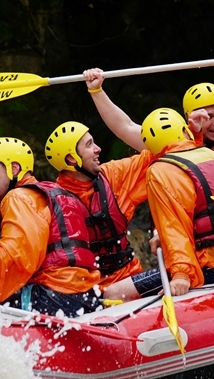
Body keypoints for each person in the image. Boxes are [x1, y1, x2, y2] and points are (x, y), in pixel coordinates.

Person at [83, 48, 214, 267]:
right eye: (208, 116)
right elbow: (125, 128)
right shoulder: (173, 140)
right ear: (190, 118)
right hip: (196, 237)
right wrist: (97, 91)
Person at [0, 137, 102, 317]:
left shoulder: (18, 197)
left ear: (14, 169)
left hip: (52, 298)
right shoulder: (59, 193)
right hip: (86, 296)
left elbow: (15, 253)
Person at [44, 121, 164, 301]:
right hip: (91, 296)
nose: (98, 148)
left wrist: (195, 131)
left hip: (130, 280)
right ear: (71, 159)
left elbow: (162, 154)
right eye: (89, 144)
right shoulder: (52, 204)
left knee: (174, 272)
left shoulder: (114, 176)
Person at [140, 108, 214, 296]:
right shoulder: (213, 155)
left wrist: (181, 273)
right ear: (184, 131)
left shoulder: (161, 170)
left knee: (116, 292)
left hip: (205, 267)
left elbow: (174, 227)